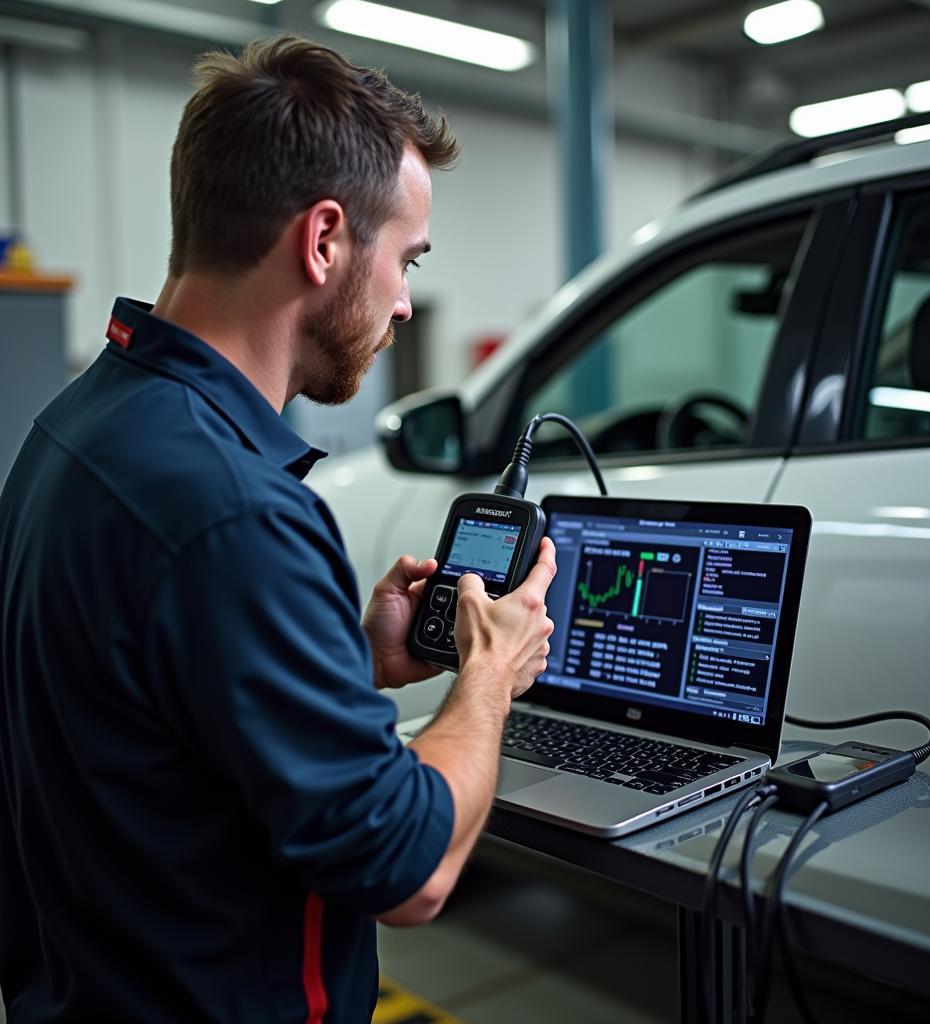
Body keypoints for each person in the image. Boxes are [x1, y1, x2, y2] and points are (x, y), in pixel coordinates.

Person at [0, 36, 556, 1024]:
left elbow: (142, 714)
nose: (401, 302)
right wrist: (488, 673)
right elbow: (408, 869)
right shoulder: (235, 508)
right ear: (325, 238)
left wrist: (344, 660)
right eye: (405, 261)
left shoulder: (74, 429)